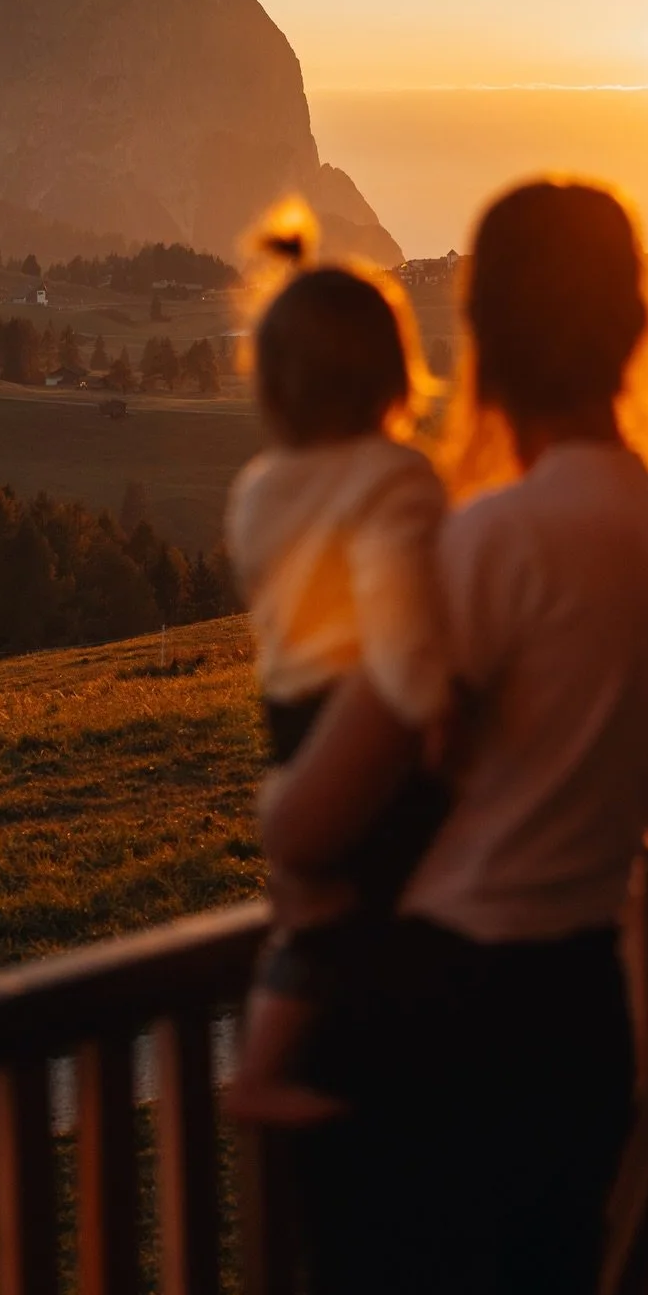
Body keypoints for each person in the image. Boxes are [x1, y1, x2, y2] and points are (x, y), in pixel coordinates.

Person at [261, 180, 648, 1295]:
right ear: (632, 329)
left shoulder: (493, 544)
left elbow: (311, 822)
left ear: (489, 337)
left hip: (436, 1037)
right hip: (579, 1024)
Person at [222, 260, 450, 1123]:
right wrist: (438, 720)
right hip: (366, 725)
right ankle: (287, 1082)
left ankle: (266, 1064)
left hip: (287, 715)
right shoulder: (396, 479)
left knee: (313, 912)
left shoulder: (257, 490)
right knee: (370, 901)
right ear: (392, 372)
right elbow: (404, 651)